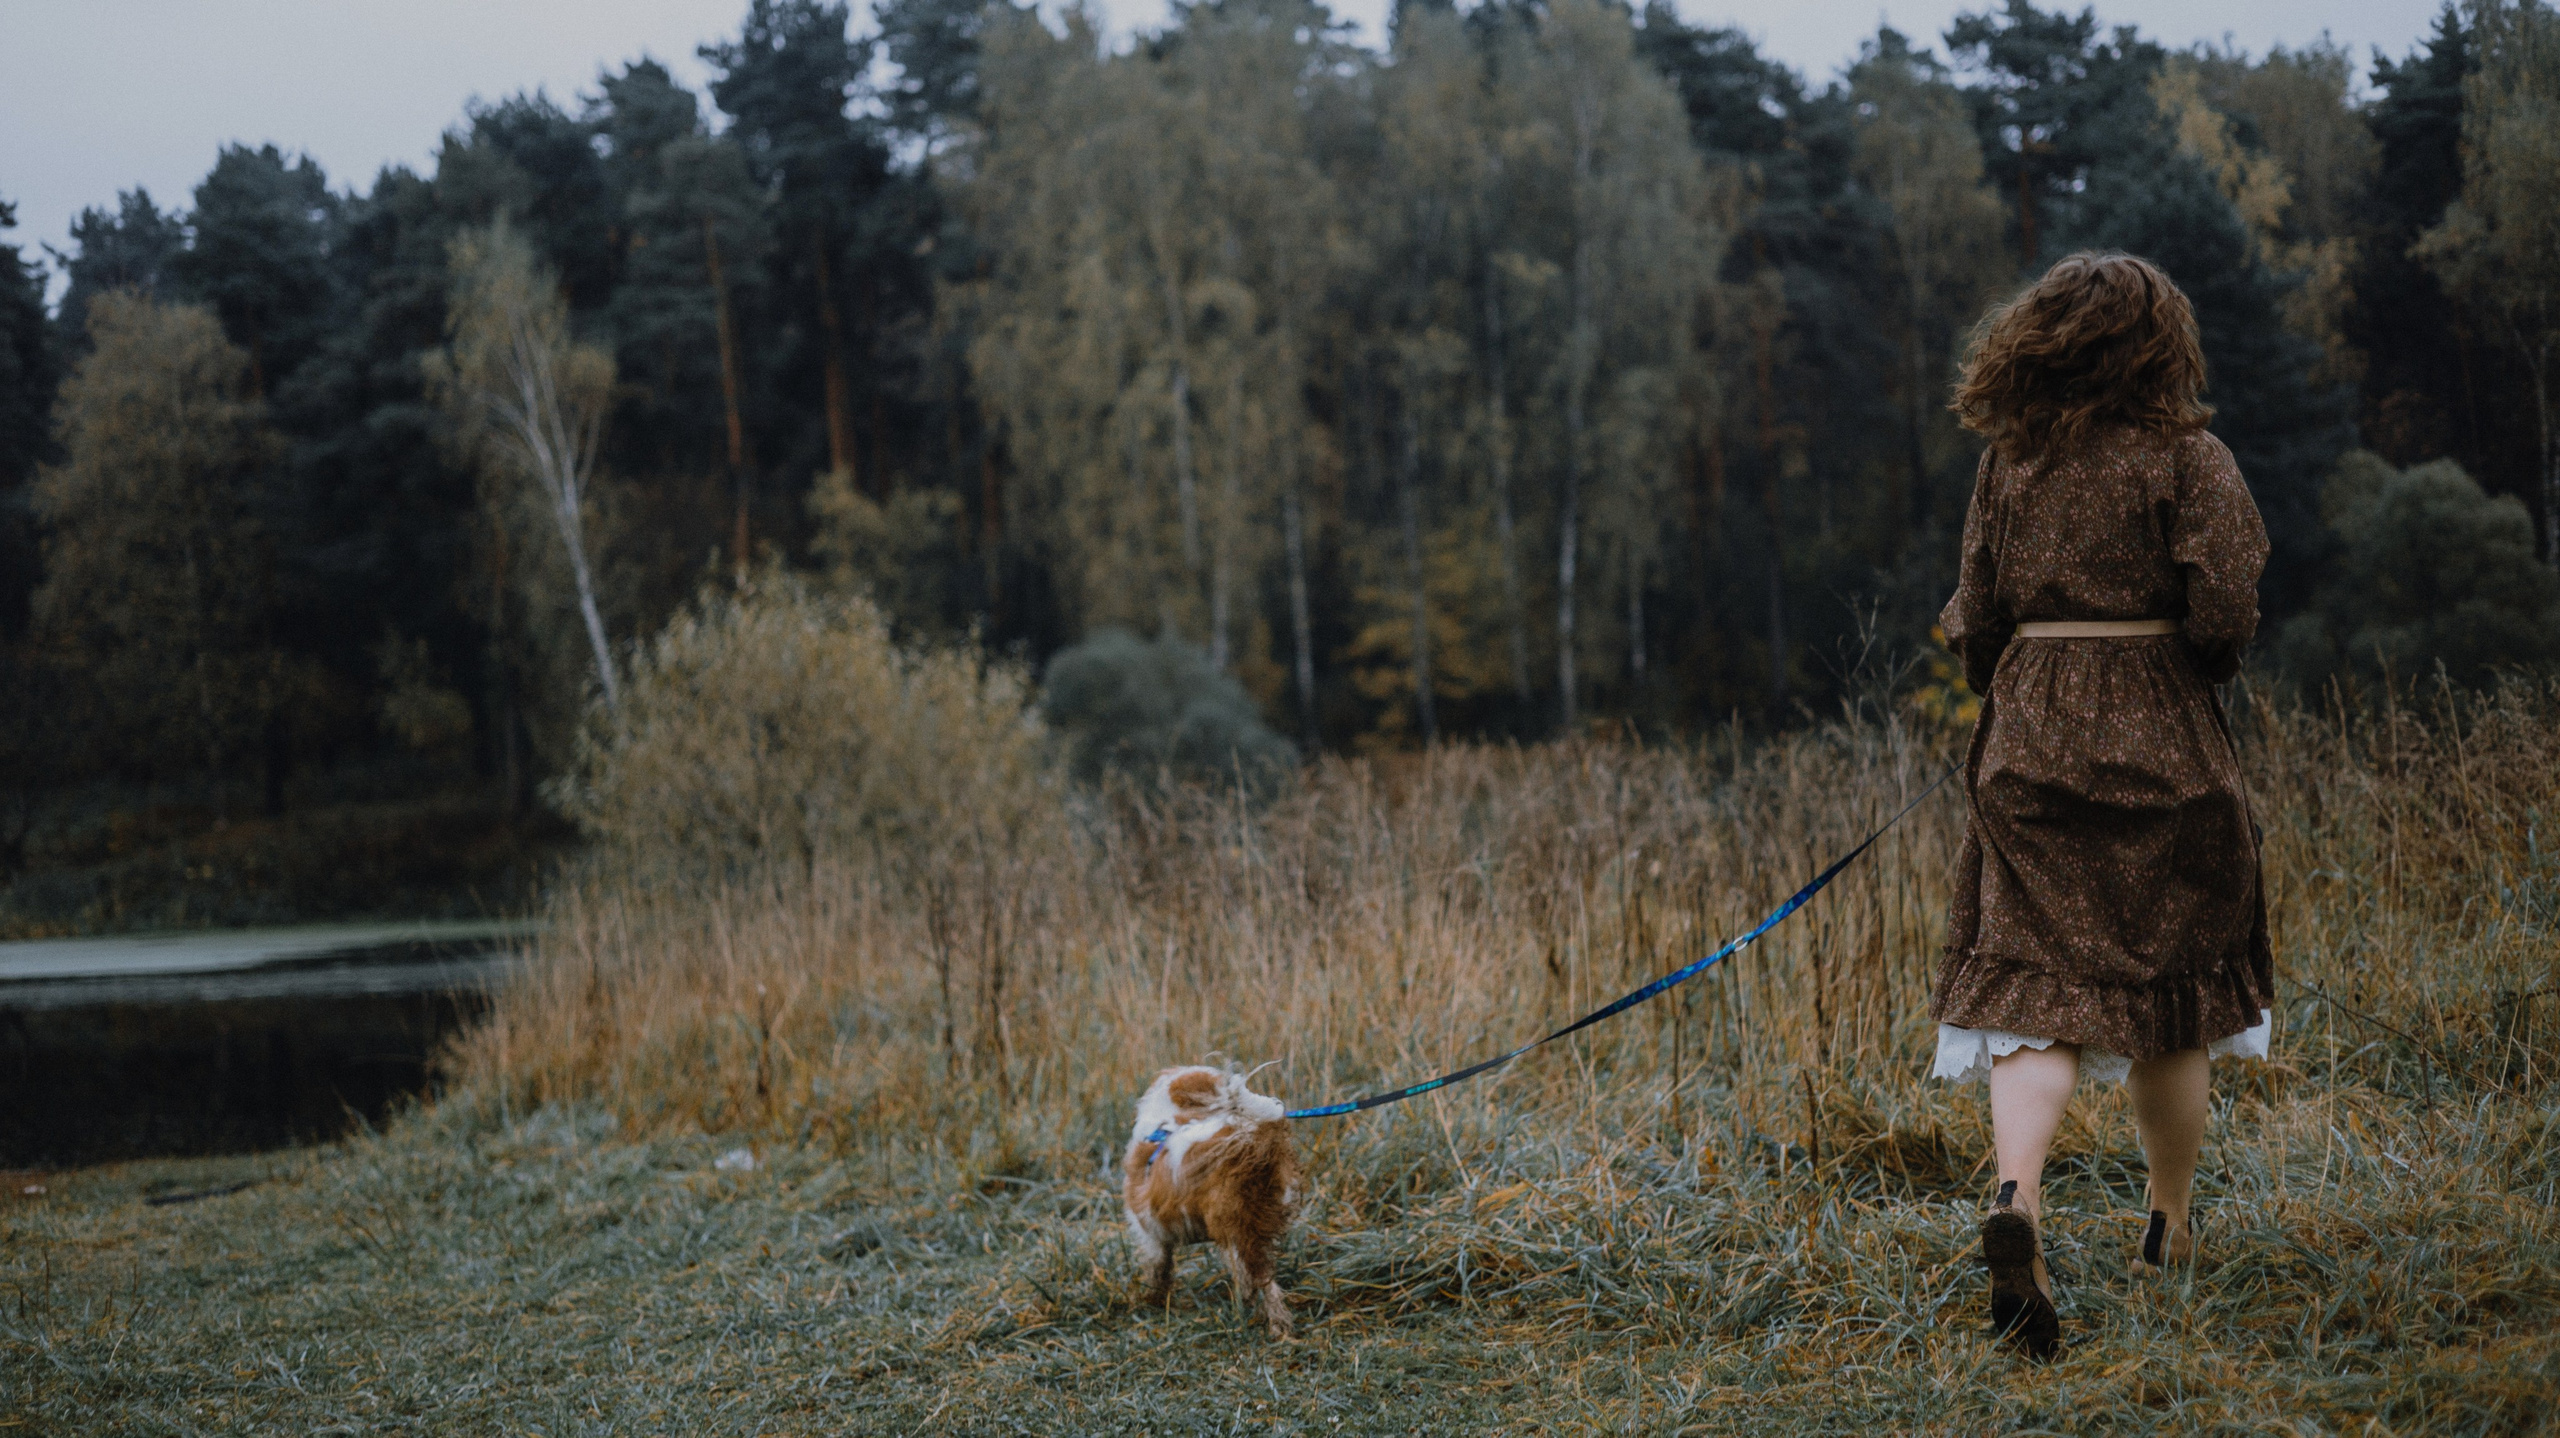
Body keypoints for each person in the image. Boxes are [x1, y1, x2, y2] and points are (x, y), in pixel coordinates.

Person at [1932, 251, 2276, 1361]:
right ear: (2158, 346)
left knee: (2035, 985)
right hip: (2163, 737)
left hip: (2027, 735)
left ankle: (2020, 1197)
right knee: (2169, 990)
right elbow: (2224, 612)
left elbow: (1975, 616)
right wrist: (2175, 669)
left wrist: (2026, 688)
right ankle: (2166, 1231)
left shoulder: (2008, 463)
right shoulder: (2193, 458)